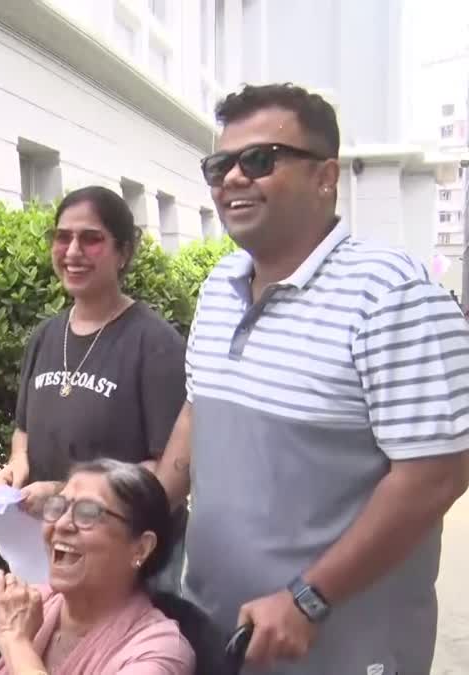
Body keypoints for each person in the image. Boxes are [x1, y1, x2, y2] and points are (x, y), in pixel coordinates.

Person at [155, 82, 469, 674]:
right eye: (219, 165)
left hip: (342, 650)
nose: (233, 179)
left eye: (260, 160)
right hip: (218, 631)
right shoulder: (219, 286)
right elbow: (201, 415)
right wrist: (117, 506)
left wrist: (309, 597)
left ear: (326, 176)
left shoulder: (392, 294)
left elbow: (436, 476)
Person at [0, 186, 188, 592]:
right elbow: (23, 433)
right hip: (51, 550)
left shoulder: (155, 344)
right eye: (63, 237)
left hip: (128, 564)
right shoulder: (45, 336)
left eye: (92, 238)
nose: (72, 251)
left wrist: (65, 497)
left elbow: (164, 472)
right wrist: (16, 471)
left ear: (123, 252)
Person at [0, 459, 194, 674]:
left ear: (141, 548)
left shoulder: (159, 651)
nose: (62, 524)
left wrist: (15, 642)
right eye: (57, 507)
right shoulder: (31, 606)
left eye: (88, 513)